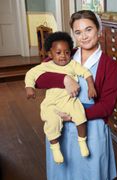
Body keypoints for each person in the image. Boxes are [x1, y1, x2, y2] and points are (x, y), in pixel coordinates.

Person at [35, 10, 117, 180]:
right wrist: (64, 78)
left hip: (91, 127)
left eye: (89, 29)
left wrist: (73, 116)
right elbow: (38, 79)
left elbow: (107, 106)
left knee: (90, 173)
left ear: (99, 31)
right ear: (73, 34)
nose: (84, 36)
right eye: (78, 32)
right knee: (63, 173)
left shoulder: (108, 65)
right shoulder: (65, 54)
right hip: (60, 127)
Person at [25, 31, 96, 164]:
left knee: (80, 116)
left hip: (69, 100)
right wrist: (29, 87)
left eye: (67, 52)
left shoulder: (73, 65)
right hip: (52, 103)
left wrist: (91, 87)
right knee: (51, 122)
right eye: (58, 53)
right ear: (50, 54)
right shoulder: (45, 66)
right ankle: (55, 147)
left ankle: (82, 141)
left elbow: (86, 73)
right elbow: (31, 74)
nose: (63, 56)